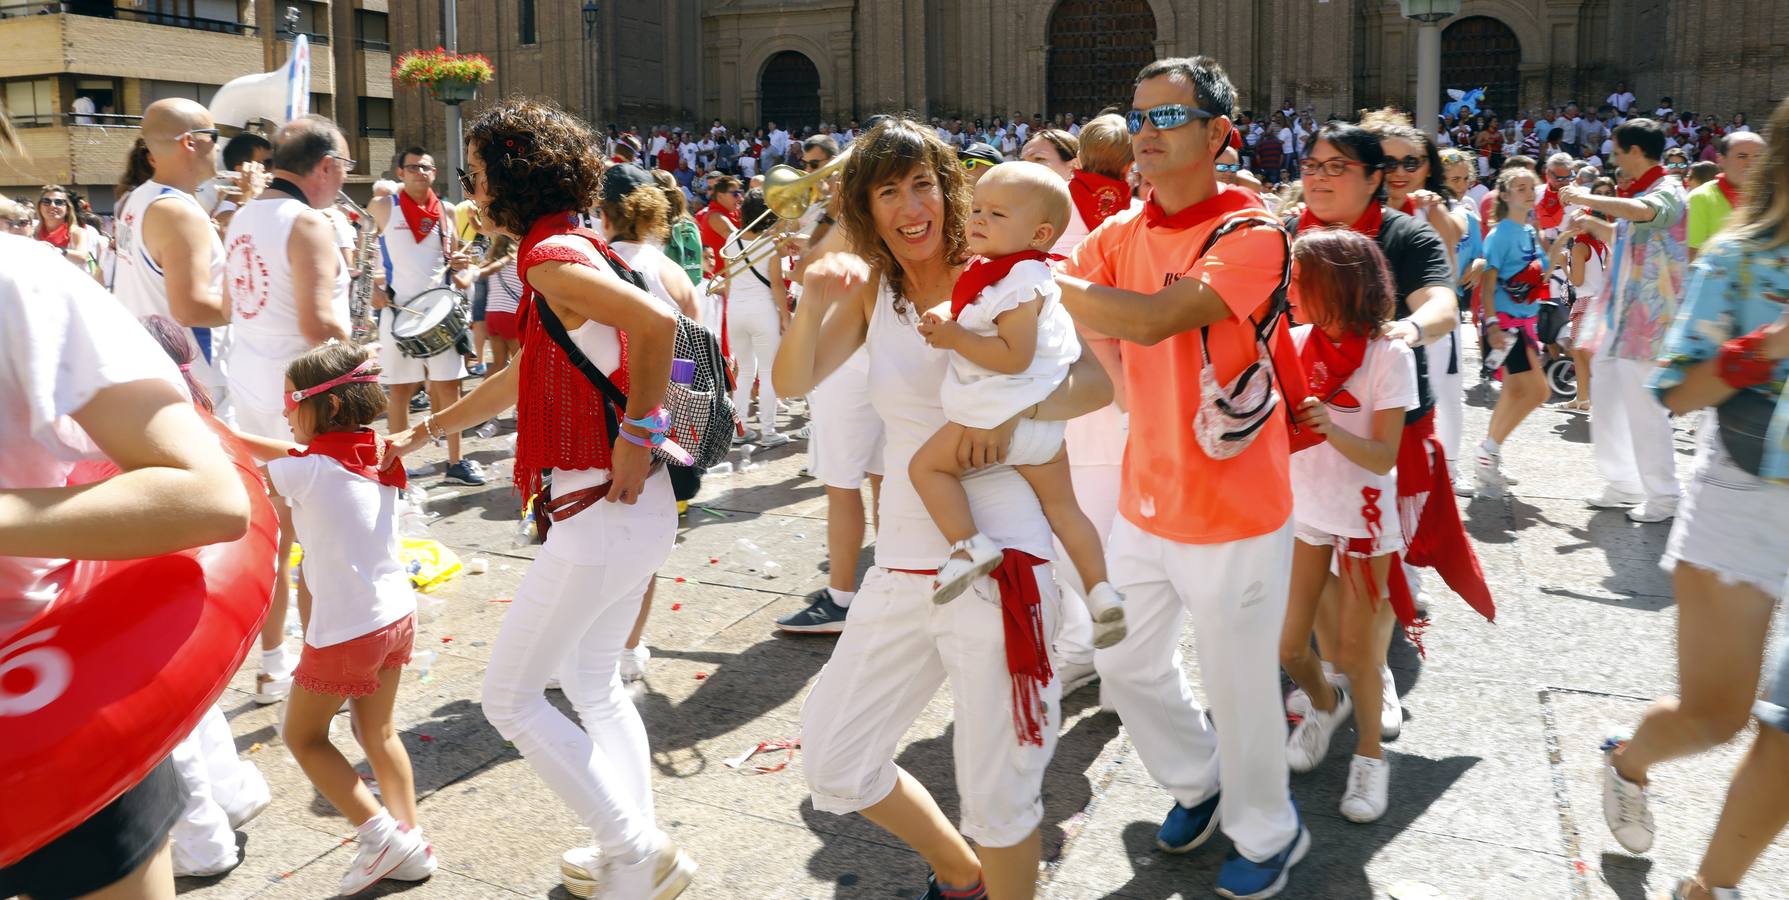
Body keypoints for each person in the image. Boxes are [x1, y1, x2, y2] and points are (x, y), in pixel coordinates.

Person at [773, 116, 1112, 900]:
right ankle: (960, 877)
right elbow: (792, 383)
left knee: (1000, 793)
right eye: (888, 191)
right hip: (903, 560)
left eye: (922, 183)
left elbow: (1095, 385)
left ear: (949, 190)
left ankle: (994, 879)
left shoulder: (1002, 272)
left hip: (1001, 558)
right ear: (867, 207)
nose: (909, 206)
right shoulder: (872, 293)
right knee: (834, 758)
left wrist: (1010, 419)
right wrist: (808, 299)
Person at [391, 98, 691, 899]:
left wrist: (637, 433)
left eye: (478, 175)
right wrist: (425, 433)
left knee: (510, 698)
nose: (471, 191)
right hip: (630, 511)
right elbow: (522, 377)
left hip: (602, 506)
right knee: (592, 682)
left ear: (512, 182)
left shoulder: (548, 257)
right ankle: (635, 849)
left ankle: (634, 852)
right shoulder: (575, 246)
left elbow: (659, 324)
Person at [1054, 56, 1308, 898]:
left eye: (1167, 117)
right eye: (1137, 117)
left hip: (1235, 505)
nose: (1146, 134)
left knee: (1238, 686)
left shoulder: (1252, 231)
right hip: (1146, 497)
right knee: (1123, 663)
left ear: (1217, 132)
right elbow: (1085, 308)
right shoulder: (1118, 231)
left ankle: (1268, 831)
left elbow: (1157, 318)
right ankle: (1199, 780)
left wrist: (1048, 287)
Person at [0, 102, 253, 898]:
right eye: (208, 138)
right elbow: (196, 307)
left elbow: (208, 496)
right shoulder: (172, 211)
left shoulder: (24, 279)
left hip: (39, 706)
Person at [1602, 96, 1789, 900]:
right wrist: (1769, 346)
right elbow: (1676, 393)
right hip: (1745, 504)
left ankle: (1705, 888)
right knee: (1714, 718)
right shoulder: (1739, 259)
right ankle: (1627, 760)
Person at [1289, 121, 1492, 744]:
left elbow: (1441, 302)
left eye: (1337, 167)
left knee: (1371, 572)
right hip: (1306, 430)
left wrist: (1408, 328)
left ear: (1375, 180)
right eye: (1313, 164)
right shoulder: (1288, 231)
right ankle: (1333, 674)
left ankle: (1369, 674)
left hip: (1385, 425)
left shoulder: (1404, 234)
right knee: (1314, 560)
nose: (1320, 177)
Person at [230, 343, 437, 894]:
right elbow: (289, 452)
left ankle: (379, 837)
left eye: (291, 402)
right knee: (379, 730)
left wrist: (204, 432)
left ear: (326, 409)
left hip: (350, 629)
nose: (283, 412)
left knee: (302, 736)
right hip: (396, 614)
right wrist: (219, 428)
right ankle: (408, 844)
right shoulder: (375, 450)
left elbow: (259, 464)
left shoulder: (308, 473)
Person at [907, 160, 1124, 648]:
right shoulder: (1004, 273)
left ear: (1041, 232)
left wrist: (956, 338)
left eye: (997, 214)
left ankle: (970, 546)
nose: (979, 219)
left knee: (926, 470)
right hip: (1043, 430)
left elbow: (1013, 356)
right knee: (1065, 510)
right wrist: (945, 314)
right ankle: (1102, 591)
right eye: (977, 208)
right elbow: (972, 309)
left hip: (994, 412)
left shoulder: (1023, 282)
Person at [1277, 228, 1415, 824]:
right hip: (1305, 512)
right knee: (1291, 646)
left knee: (1361, 653)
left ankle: (1369, 758)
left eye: (1300, 280)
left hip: (1363, 520)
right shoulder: (1294, 340)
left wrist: (1327, 423)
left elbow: (1384, 456)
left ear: (1338, 285)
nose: (1289, 290)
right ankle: (1325, 704)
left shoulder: (1391, 355)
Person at [223, 114, 355, 706]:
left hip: (249, 382)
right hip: (298, 393)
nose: (343, 180)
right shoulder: (308, 222)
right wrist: (360, 342)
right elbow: (316, 323)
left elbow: (232, 302)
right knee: (320, 538)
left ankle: (272, 664)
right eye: (343, 168)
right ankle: (318, 666)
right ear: (324, 167)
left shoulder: (243, 215)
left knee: (274, 534)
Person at [777, 132, 888, 635]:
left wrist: (829, 214)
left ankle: (842, 596)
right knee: (885, 479)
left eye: (826, 168)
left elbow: (805, 269)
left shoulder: (852, 217)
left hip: (847, 359)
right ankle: (891, 584)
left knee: (842, 484)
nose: (823, 177)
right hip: (887, 351)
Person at [1559, 118, 1687, 523]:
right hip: (1621, 317)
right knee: (1609, 398)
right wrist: (1596, 224)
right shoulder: (1643, 190)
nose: (1612, 159)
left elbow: (1645, 213)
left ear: (1634, 151)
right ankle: (1624, 483)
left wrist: (1584, 196)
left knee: (1645, 409)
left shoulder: (1666, 189)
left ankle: (1665, 496)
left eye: (1616, 151)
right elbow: (1630, 234)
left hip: (1649, 321)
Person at [112, 99, 234, 426]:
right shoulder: (178, 211)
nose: (219, 146)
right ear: (190, 142)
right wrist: (257, 309)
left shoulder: (135, 199)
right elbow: (190, 310)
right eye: (215, 135)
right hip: (194, 378)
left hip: (153, 368)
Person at [370, 147, 484, 487]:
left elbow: (455, 260)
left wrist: (463, 265)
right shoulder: (382, 206)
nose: (420, 172)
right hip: (398, 313)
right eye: (413, 167)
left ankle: (455, 462)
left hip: (440, 313)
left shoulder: (446, 210)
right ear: (400, 173)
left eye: (426, 167)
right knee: (401, 392)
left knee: (449, 389)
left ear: (434, 173)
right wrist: (373, 290)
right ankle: (395, 467)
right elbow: (366, 256)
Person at [1469, 166, 1561, 497]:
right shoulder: (1500, 234)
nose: (1528, 192)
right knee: (1538, 391)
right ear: (1505, 195)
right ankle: (1488, 450)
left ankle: (1487, 459)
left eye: (1530, 187)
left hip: (1527, 323)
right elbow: (1489, 285)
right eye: (1520, 188)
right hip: (1507, 325)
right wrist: (1491, 324)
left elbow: (1542, 273)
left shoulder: (1527, 232)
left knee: (1511, 392)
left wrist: (1563, 238)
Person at [721, 188, 792, 447]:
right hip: (762, 311)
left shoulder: (732, 238)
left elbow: (728, 280)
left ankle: (740, 430)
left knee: (744, 372)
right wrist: (785, 317)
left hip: (736, 310)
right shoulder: (770, 245)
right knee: (768, 372)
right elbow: (776, 285)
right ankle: (769, 432)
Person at [1557, 178, 1618, 413]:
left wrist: (1564, 264)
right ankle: (1582, 398)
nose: (1572, 223)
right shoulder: (1601, 244)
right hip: (1598, 302)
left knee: (1584, 354)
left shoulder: (1580, 247)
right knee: (1579, 353)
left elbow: (1577, 280)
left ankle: (1607, 398)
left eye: (1577, 219)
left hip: (1586, 302)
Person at [1686, 131, 1766, 259]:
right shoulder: (1701, 197)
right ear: (1721, 160)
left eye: (1758, 157)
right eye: (1742, 156)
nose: (1751, 164)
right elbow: (1695, 254)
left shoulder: (1776, 197)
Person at [34, 184, 100, 279]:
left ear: (67, 209)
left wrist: (59, 251)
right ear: (39, 207)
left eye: (59, 202)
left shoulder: (77, 232)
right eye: (46, 201)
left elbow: (82, 256)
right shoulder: (33, 232)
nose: (53, 206)